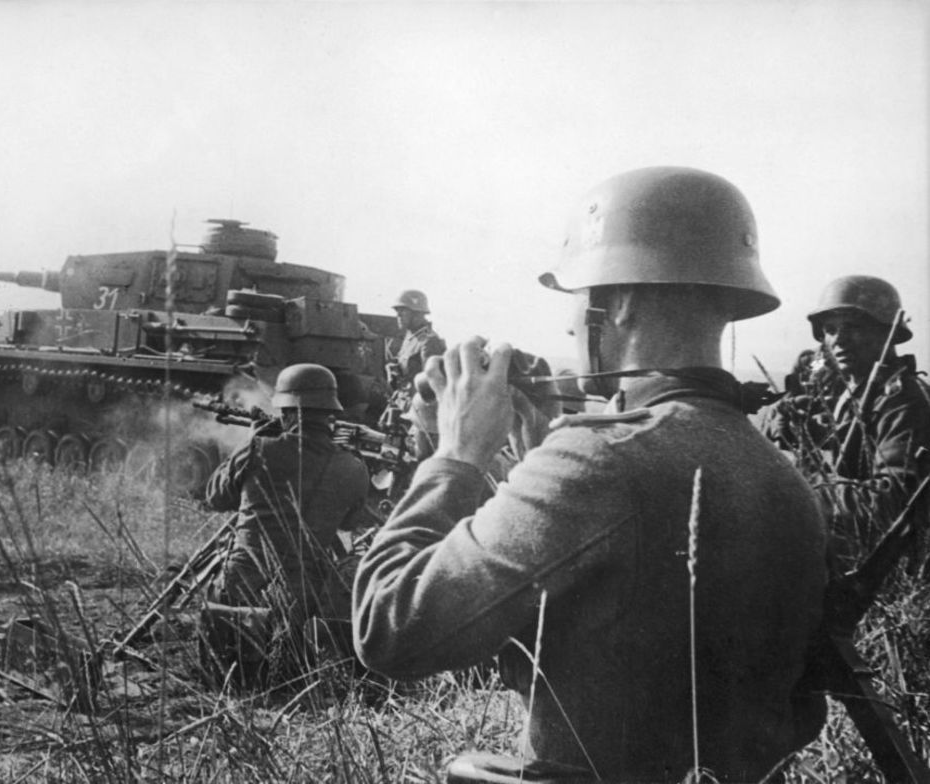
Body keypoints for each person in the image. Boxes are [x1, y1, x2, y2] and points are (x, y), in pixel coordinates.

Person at [352, 167, 828, 781]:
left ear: (618, 304)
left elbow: (391, 628)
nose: (572, 326)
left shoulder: (598, 460)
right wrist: (537, 451)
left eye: (577, 302)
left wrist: (456, 454)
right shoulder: (780, 476)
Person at [203, 363, 371, 676]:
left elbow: (216, 497)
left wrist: (253, 442)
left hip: (243, 588)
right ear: (329, 414)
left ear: (289, 413)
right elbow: (349, 523)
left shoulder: (259, 449)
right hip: (302, 599)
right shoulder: (354, 467)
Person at [762, 275, 930, 573]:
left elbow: (892, 504)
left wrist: (800, 490)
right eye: (830, 330)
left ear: (887, 333)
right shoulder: (849, 390)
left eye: (853, 327)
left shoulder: (903, 402)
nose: (838, 340)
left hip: (883, 569)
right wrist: (789, 423)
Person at [385, 289, 447, 458]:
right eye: (397, 312)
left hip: (420, 412)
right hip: (402, 404)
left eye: (402, 312)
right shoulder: (410, 337)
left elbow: (432, 383)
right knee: (391, 456)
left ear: (418, 314)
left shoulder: (429, 341)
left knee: (418, 457)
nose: (398, 316)